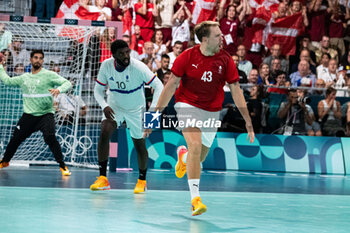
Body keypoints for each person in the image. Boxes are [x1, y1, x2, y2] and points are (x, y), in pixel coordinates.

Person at [148, 21, 254, 216]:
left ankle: (183, 157)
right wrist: (152, 117)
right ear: (204, 39)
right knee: (196, 146)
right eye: (217, 35)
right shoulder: (187, 57)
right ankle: (195, 199)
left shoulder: (226, 60)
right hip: (186, 105)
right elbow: (170, 87)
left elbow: (237, 91)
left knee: (199, 156)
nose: (222, 38)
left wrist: (248, 120)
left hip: (211, 111)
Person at [90, 40, 163, 192]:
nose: (126, 56)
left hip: (136, 109)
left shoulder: (138, 67)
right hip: (115, 106)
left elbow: (159, 86)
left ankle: (142, 181)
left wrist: (152, 116)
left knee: (139, 144)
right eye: (121, 53)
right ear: (114, 55)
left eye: (127, 52)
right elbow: (97, 91)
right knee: (104, 132)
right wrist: (104, 106)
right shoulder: (106, 65)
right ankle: (103, 178)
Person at [0, 50, 72, 175]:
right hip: (29, 116)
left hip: (46, 114)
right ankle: (5, 161)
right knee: (15, 139)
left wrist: (59, 89)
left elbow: (68, 83)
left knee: (50, 137)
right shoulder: (24, 78)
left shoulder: (49, 75)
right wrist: (1, 66)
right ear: (31, 60)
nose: (38, 60)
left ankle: (63, 166)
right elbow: (7, 81)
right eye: (35, 57)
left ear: (43, 61)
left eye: (40, 58)